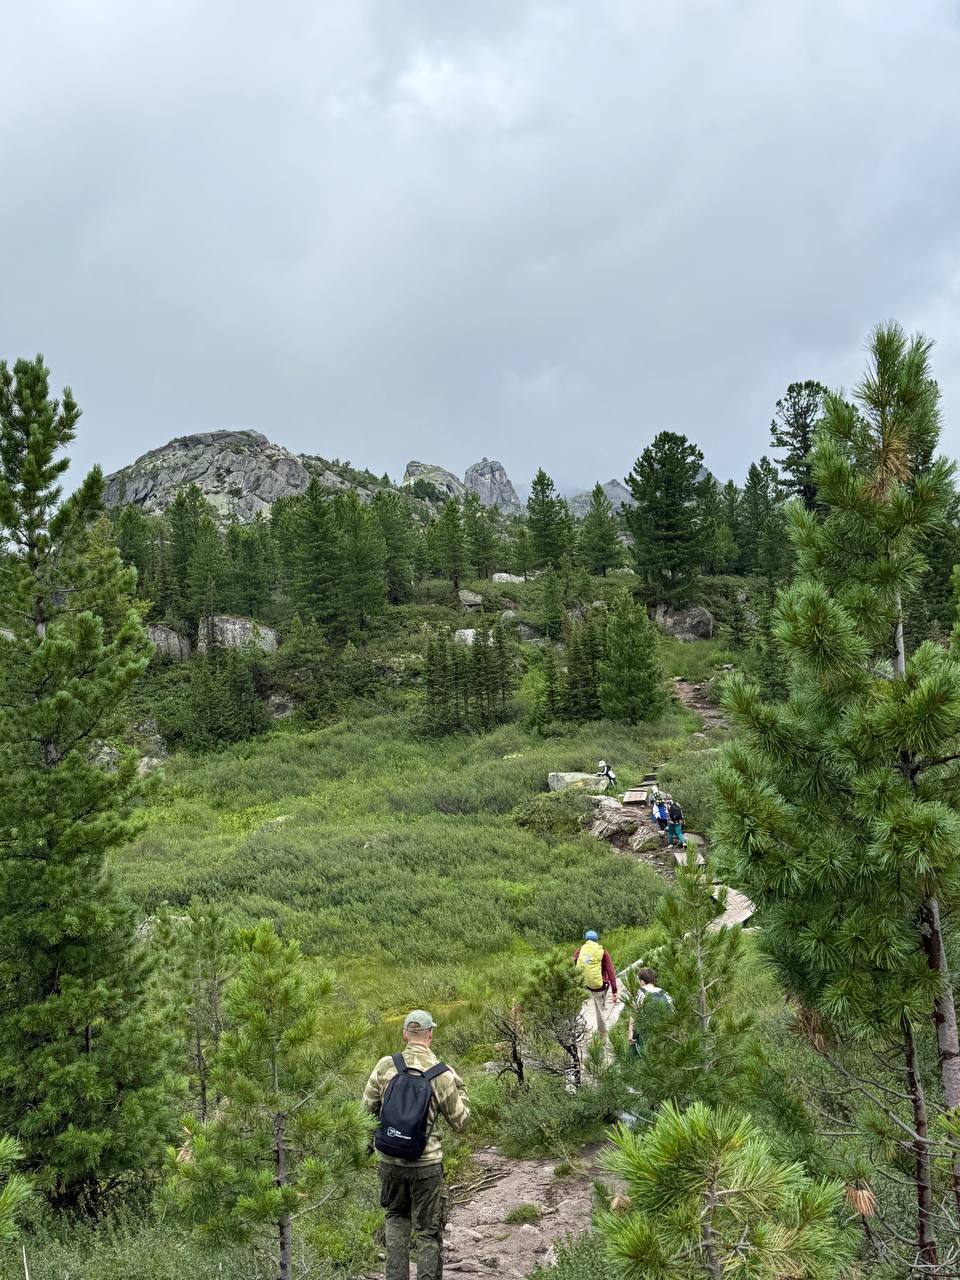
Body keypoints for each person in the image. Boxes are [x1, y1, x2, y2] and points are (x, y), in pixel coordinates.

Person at [363, 1010, 469, 1280]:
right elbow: (462, 1123)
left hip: (390, 1161)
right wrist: (459, 1084)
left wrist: (367, 1149)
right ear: (430, 1035)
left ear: (404, 1035)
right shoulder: (441, 1074)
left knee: (396, 1219)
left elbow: (365, 1112)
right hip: (427, 1164)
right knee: (428, 1231)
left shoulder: (386, 1065)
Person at [573, 930, 619, 1038]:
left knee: (581, 1010)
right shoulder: (603, 952)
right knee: (600, 1012)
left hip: (585, 986)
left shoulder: (580, 951)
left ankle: (578, 1033)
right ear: (597, 940)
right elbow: (610, 972)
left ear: (586, 940)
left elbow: (575, 963)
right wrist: (614, 991)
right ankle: (602, 1035)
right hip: (600, 987)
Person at [627, 966, 674, 1054]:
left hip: (646, 1036)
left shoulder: (640, 993)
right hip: (665, 1035)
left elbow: (634, 1014)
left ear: (641, 982)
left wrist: (631, 1032)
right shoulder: (664, 993)